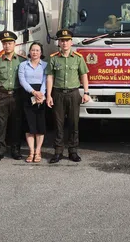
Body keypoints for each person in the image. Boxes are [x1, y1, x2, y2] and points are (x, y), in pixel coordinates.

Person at [46, 29, 90, 164]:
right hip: (58, 93)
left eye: (67, 40)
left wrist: (86, 92)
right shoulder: (53, 58)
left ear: (71, 42)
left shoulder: (78, 58)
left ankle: (73, 151)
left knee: (73, 123)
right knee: (58, 124)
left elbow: (83, 75)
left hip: (73, 93)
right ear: (58, 42)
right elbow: (50, 77)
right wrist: (48, 95)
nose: (64, 43)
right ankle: (58, 151)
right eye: (62, 41)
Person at [0, 31, 26, 162]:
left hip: (17, 95)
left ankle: (15, 150)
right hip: (1, 95)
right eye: (4, 43)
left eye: (10, 43)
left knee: (16, 124)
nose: (7, 46)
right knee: (0, 124)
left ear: (15, 44)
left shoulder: (22, 61)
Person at [18, 42, 47, 163]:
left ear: (41, 52)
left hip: (41, 96)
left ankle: (38, 151)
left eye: (37, 50)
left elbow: (46, 79)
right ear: (29, 52)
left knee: (40, 125)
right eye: (33, 50)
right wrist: (33, 92)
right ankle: (31, 152)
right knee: (29, 125)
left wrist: (41, 93)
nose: (35, 52)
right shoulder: (23, 65)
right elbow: (22, 80)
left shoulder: (45, 65)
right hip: (27, 95)